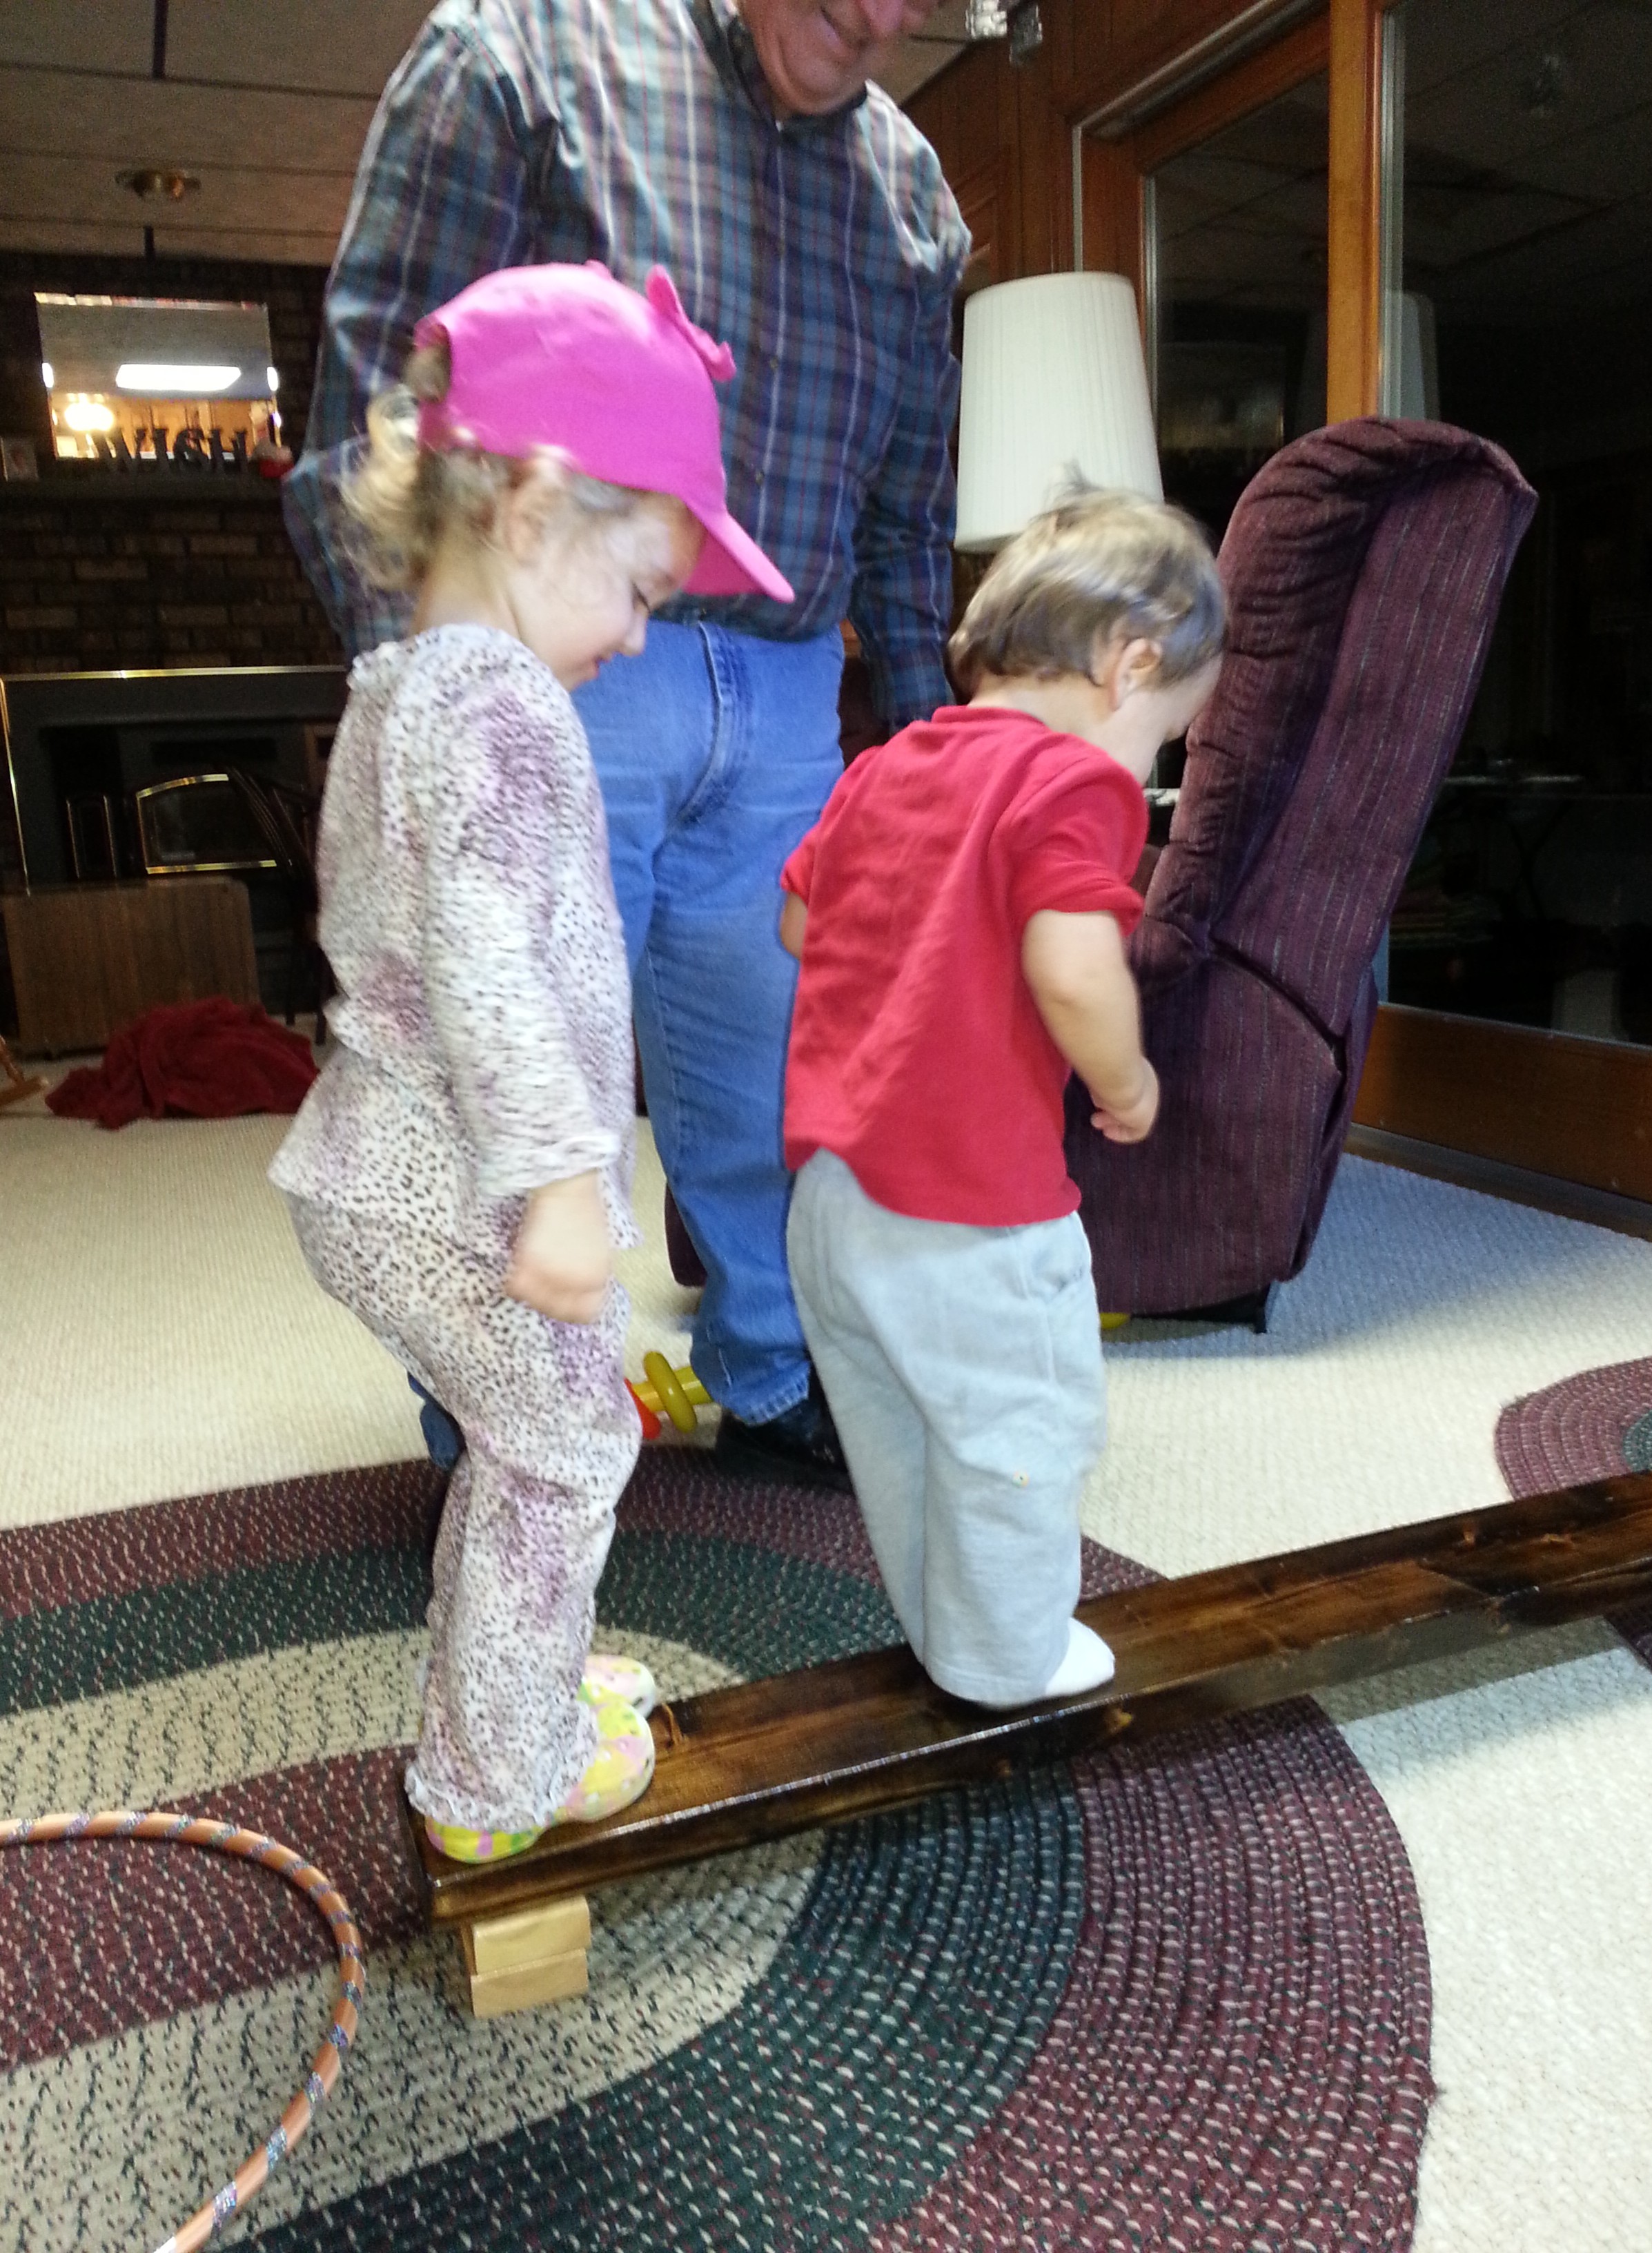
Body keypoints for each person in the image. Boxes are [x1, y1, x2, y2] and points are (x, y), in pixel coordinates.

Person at [283, 0, 967, 1488]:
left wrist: (936, 758)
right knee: (521, 1049)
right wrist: (429, 686)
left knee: (772, 1074)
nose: (881, 17)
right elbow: (373, 395)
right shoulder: (514, 57)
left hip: (794, 680)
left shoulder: (916, 196)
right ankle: (498, 1415)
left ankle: (775, 1370)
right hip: (548, 652)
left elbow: (912, 507)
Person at [270, 262, 794, 1862]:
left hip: (379, 1167)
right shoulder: (498, 702)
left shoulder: (398, 688)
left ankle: (510, 1698)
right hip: (455, 1189)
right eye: (639, 588)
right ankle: (503, 1777)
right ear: (536, 508)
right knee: (567, 1452)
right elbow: (488, 957)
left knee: (528, 1447)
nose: (639, 636)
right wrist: (561, 1186)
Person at [779, 490, 1227, 1707]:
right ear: (1132, 667)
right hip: (973, 1218)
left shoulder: (888, 764)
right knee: (1020, 1436)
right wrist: (1128, 1079)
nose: (1148, 765)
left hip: (832, 1202)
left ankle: (950, 1633)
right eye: (1164, 737)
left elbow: (801, 924)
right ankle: (1008, 1663)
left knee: (902, 1435)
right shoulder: (1073, 784)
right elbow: (1074, 970)